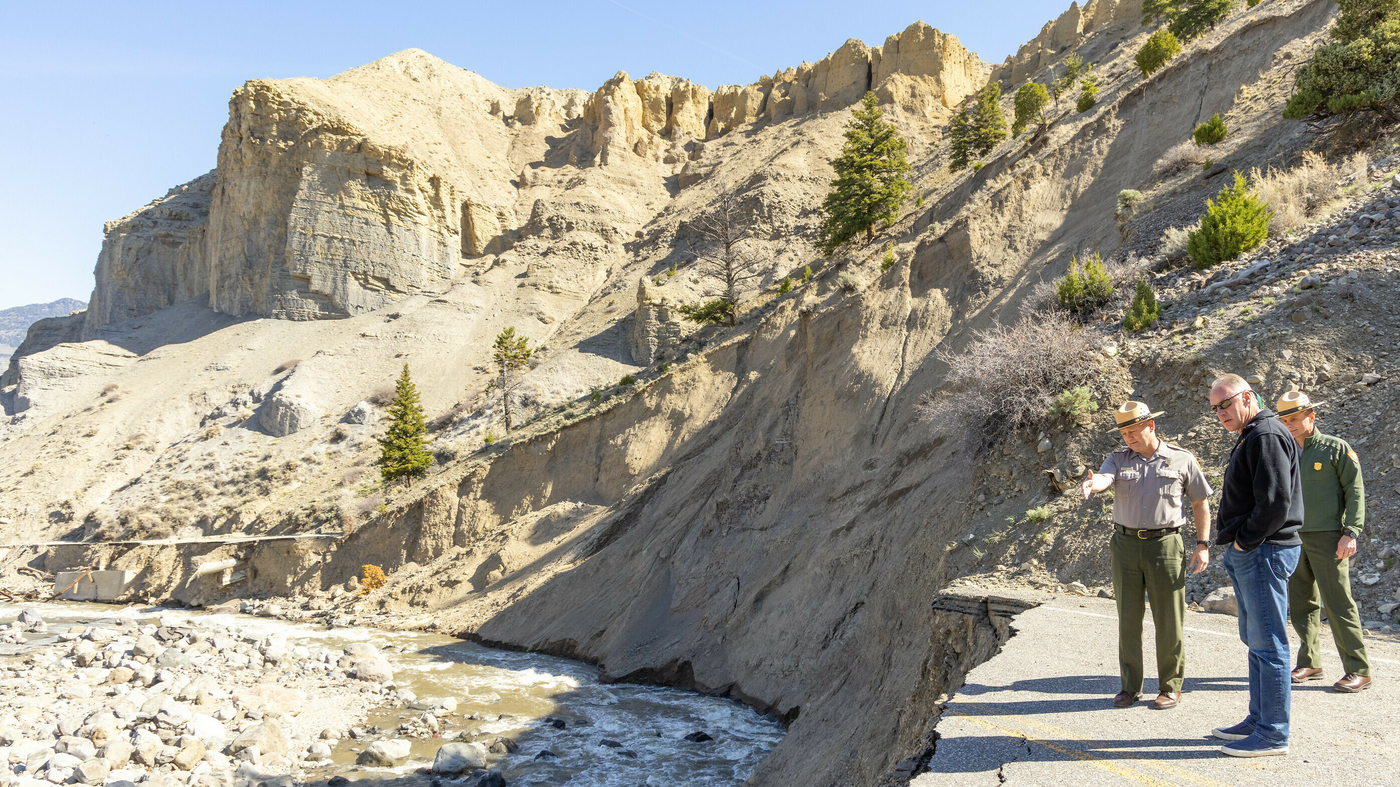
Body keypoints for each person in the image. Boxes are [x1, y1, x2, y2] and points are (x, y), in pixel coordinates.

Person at [1082, 401, 1213, 711]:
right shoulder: (1117, 459)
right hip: (1125, 545)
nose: (1128, 438)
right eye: (1124, 433)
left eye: (1133, 431)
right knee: (1128, 619)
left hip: (1165, 545)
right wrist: (1093, 483)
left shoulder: (1182, 459)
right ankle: (1130, 686)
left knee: (1169, 619)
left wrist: (1203, 544)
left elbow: (1200, 503)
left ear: (1150, 426)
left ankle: (1170, 686)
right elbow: (1104, 478)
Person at [1207, 374, 1303, 758]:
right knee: (1257, 642)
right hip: (1255, 551)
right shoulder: (1253, 434)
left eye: (1226, 404)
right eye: (1215, 408)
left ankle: (1273, 733)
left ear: (1247, 398)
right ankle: (1258, 719)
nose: (1220, 413)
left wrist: (1244, 541)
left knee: (1269, 644)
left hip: (1263, 551)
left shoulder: (1265, 434)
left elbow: (1276, 502)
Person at [1276, 391, 1372, 693]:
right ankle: (1310, 662)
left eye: (1295, 418)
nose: (1290, 425)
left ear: (1311, 416)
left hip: (1329, 538)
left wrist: (1351, 532)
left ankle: (1358, 669)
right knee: (1301, 603)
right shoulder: (1283, 450)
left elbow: (1355, 491)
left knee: (1339, 603)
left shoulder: (1335, 448)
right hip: (1292, 537)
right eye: (1285, 420)